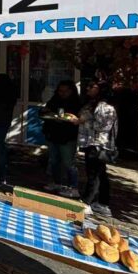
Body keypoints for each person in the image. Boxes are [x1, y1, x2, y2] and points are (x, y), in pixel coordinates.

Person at [71, 81, 118, 217]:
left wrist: (82, 121)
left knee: (94, 174)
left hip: (98, 145)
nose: (88, 88)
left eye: (92, 86)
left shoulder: (106, 107)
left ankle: (87, 202)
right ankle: (102, 204)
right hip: (90, 143)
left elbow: (103, 127)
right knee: (100, 173)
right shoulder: (93, 104)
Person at [41, 80, 82, 198]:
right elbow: (44, 112)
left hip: (67, 137)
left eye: (66, 91)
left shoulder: (76, 103)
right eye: (60, 91)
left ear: (71, 91)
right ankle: (57, 183)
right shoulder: (54, 100)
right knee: (54, 160)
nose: (63, 93)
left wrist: (67, 119)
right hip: (53, 135)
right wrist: (46, 113)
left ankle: (73, 187)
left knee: (68, 162)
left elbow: (78, 119)